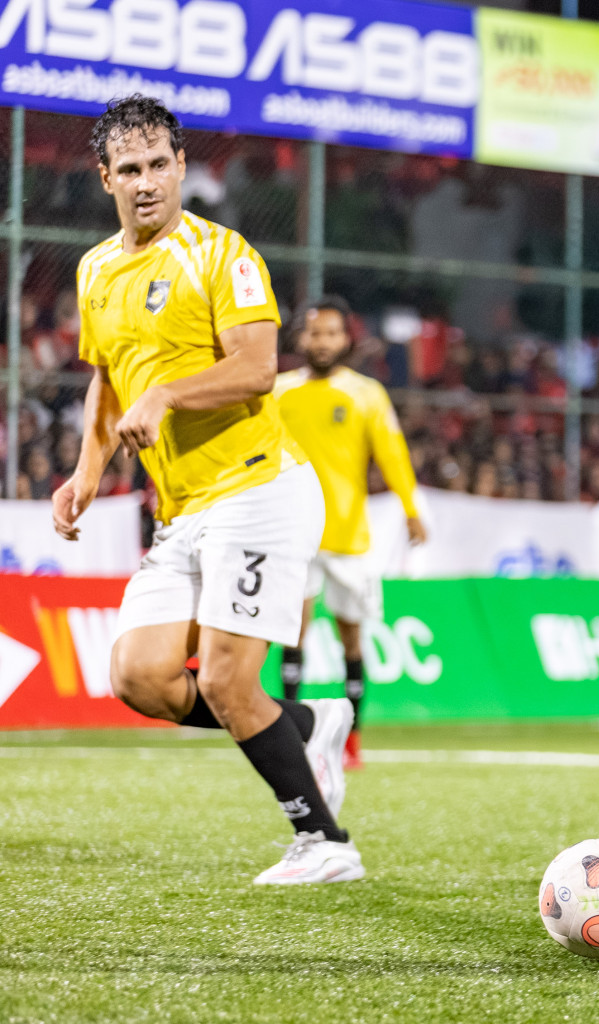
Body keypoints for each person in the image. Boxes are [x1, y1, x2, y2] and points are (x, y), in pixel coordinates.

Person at [50, 95, 362, 885]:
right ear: (105, 178)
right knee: (140, 678)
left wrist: (168, 396)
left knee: (225, 677)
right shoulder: (94, 269)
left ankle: (325, 843)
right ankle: (305, 723)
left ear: (183, 166)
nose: (146, 182)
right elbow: (107, 381)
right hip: (181, 510)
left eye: (160, 164)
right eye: (130, 170)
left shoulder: (224, 254)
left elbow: (257, 369)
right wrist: (87, 475)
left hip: (259, 490)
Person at [274, 296, 427, 768]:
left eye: (331, 332)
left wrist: (409, 506)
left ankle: (352, 742)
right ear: (300, 338)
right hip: (295, 536)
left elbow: (392, 452)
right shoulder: (277, 392)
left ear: (346, 339)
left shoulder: (366, 394)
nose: (322, 341)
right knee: (292, 634)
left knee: (351, 641)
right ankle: (294, 739)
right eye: (313, 332)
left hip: (349, 539)